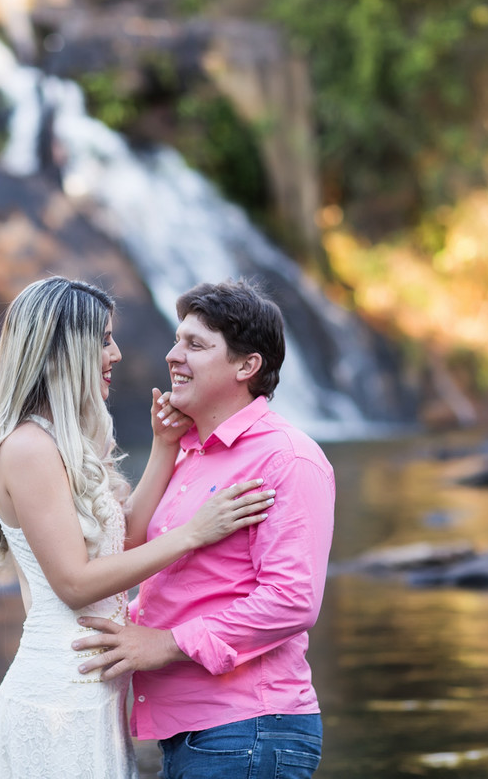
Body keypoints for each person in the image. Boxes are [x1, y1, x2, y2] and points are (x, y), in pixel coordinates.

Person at [0, 276, 277, 779]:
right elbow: (74, 583)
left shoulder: (66, 443)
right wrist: (193, 533)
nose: (118, 354)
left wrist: (164, 447)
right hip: (58, 699)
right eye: (104, 339)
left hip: (96, 693)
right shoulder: (29, 448)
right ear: (64, 350)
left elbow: (122, 544)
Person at [72, 279, 336, 779]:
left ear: (246, 365)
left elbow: (293, 599)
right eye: (177, 341)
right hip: (195, 732)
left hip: (250, 728)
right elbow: (156, 563)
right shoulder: (189, 452)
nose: (172, 355)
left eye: (195, 345)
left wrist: (166, 643)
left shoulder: (288, 459)